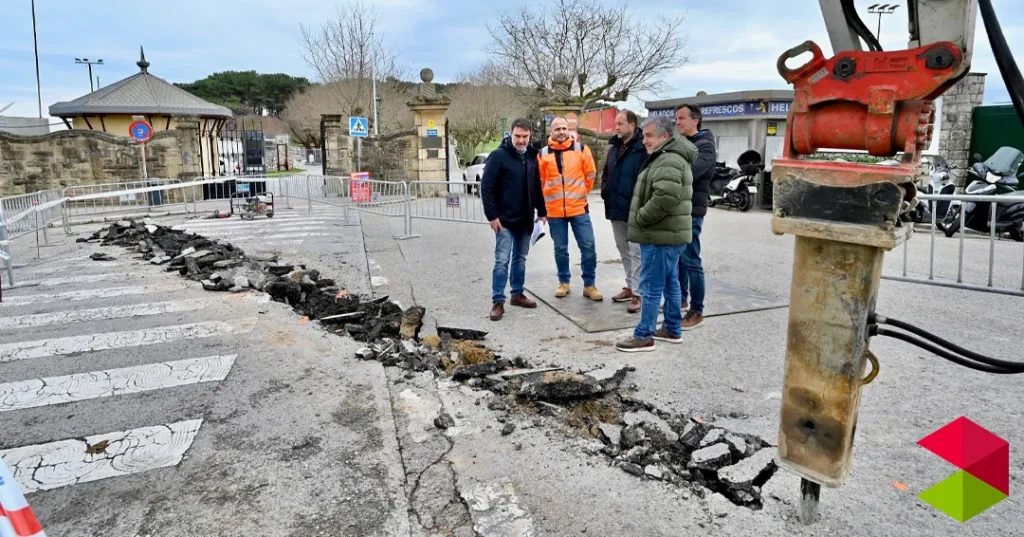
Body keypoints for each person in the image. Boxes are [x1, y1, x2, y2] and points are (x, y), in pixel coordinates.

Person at [616, 116, 696, 352]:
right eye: (644, 135)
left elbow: (665, 198)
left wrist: (639, 218)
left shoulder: (668, 160)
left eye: (649, 135)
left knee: (650, 285)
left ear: (665, 137)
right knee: (670, 282)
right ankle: (672, 328)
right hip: (668, 236)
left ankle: (644, 334)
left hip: (660, 236)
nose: (644, 140)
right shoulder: (667, 157)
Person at [481, 118, 548, 321]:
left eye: (525, 137)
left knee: (520, 259)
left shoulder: (531, 157)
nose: (521, 140)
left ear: (530, 136)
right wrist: (492, 216)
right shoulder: (498, 156)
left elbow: (536, 186)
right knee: (502, 261)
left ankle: (517, 294)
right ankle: (498, 301)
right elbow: (487, 187)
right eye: (517, 136)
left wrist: (542, 212)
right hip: (504, 220)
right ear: (510, 134)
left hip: (526, 219)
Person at [538, 117, 603, 301]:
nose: (561, 131)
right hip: (555, 211)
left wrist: (581, 193)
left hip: (579, 209)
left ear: (569, 130)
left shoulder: (582, 149)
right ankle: (564, 282)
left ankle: (589, 285)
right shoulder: (542, 154)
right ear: (551, 131)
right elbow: (540, 182)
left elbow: (590, 175)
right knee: (560, 248)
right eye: (557, 128)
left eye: (564, 128)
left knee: (588, 247)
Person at [674, 103, 717, 330]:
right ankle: (681, 298)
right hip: (678, 209)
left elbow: (687, 174)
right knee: (680, 258)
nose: (677, 122)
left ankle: (697, 310)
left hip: (691, 211)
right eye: (676, 119)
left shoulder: (705, 146)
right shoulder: (683, 143)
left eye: (681, 118)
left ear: (695, 120)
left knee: (691, 260)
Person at [600, 110, 647, 314]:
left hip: (634, 210)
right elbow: (606, 174)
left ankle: (639, 293)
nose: (616, 127)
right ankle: (630, 286)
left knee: (637, 252)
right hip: (615, 208)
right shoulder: (613, 148)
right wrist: (605, 192)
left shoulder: (643, 148)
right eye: (615, 123)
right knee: (624, 250)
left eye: (620, 123)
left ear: (632, 125)